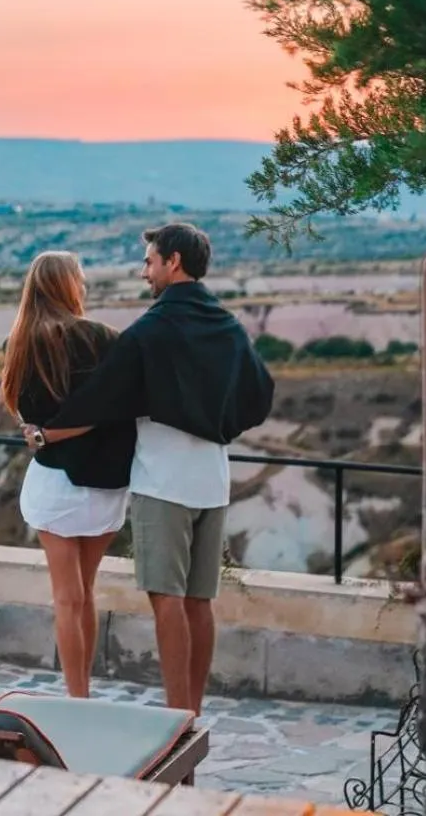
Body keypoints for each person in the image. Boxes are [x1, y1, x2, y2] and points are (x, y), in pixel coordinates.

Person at [21, 224, 274, 716]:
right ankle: (194, 714)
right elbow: (259, 394)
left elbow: (98, 401)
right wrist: (220, 423)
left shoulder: (150, 332)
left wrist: (45, 435)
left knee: (168, 601)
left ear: (173, 262)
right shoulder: (226, 325)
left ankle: (176, 719)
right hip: (213, 478)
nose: (145, 273)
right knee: (200, 602)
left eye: (150, 262)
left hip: (163, 480)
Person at [0, 251, 136, 698]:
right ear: (68, 285)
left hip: (55, 483)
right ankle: (85, 691)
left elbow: (30, 419)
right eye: (80, 278)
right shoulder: (104, 338)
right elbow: (119, 405)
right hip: (104, 482)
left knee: (66, 597)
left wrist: (45, 436)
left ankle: (77, 697)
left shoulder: (19, 343)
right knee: (86, 593)